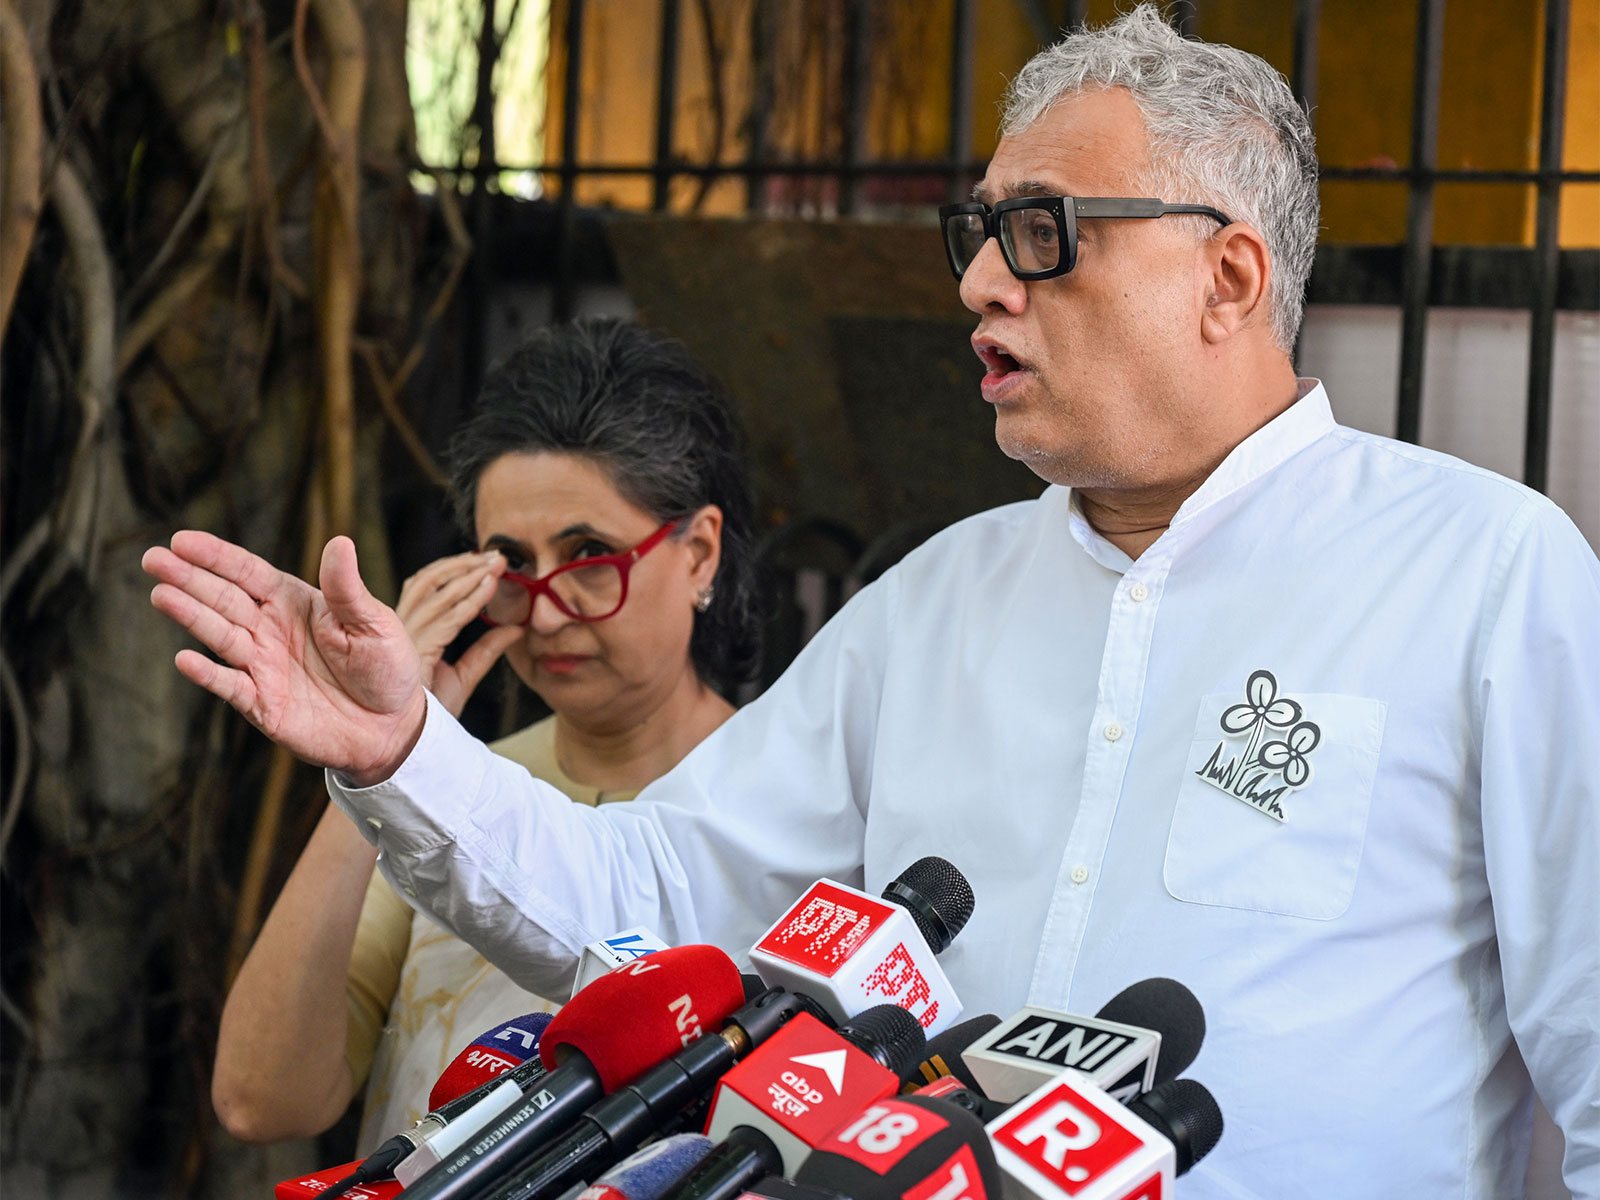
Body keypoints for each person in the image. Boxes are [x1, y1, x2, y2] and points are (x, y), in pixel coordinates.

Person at [145, 9, 1599, 1197]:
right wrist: (401, 754)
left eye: (1043, 232)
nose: (981, 283)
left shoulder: (1482, 575)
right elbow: (648, 901)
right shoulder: (935, 605)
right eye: (980, 233)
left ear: (1226, 275)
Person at [206, 317, 762, 1148]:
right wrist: (379, 754)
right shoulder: (447, 795)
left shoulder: (789, 793)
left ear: (700, 553)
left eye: (589, 555)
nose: (547, 612)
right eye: (513, 566)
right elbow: (263, 1099)